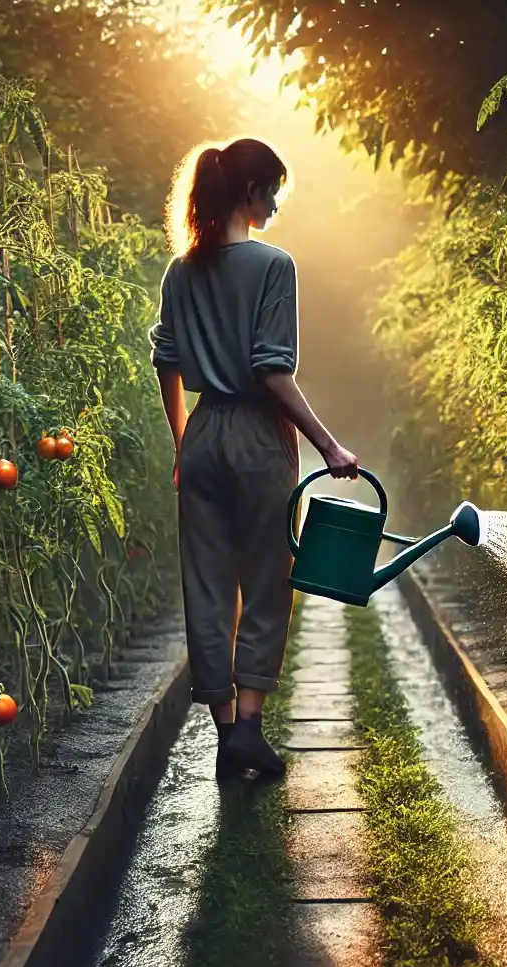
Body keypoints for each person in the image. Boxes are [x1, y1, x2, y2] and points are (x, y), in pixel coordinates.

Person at [149, 138, 360, 779]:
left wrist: (184, 441)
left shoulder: (181, 270)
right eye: (271, 191)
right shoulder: (274, 266)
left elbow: (167, 362)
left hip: (205, 429)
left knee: (207, 587)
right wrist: (329, 445)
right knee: (266, 582)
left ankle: (224, 736)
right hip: (259, 437)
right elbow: (272, 371)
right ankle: (246, 728)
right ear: (250, 192)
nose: (274, 204)